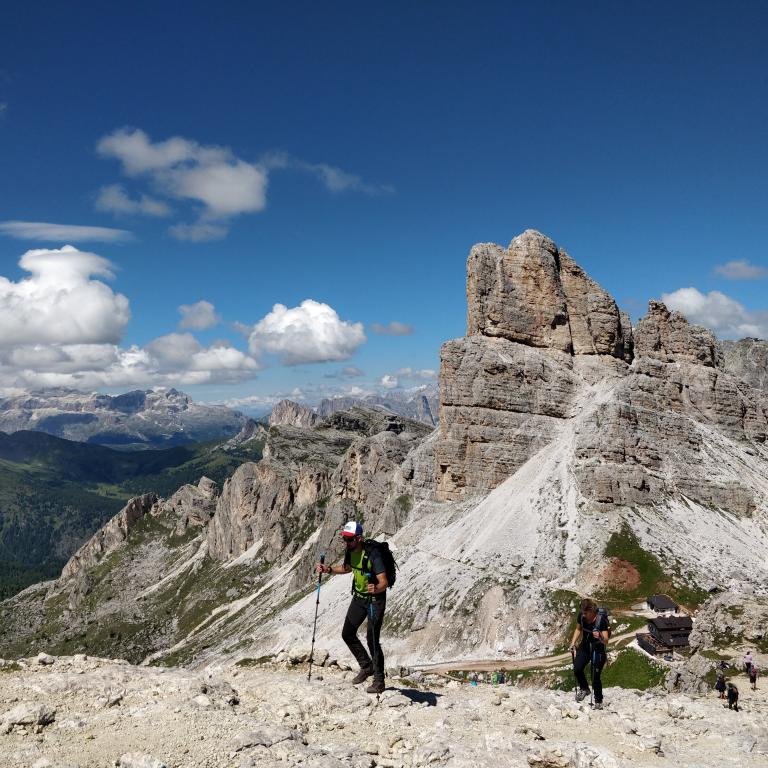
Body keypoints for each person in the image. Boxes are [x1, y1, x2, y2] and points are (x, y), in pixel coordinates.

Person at [316, 521, 388, 694]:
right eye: (345, 539)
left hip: (375, 600)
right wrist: (329, 569)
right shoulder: (350, 550)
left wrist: (376, 588)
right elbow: (347, 568)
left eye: (349, 539)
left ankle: (379, 681)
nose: (346, 543)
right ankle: (366, 666)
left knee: (372, 639)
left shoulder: (373, 555)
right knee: (347, 633)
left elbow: (384, 581)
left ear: (359, 538)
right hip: (359, 597)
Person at [569, 598, 610, 710]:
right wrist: (573, 643)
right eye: (582, 612)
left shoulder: (601, 620)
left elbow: (606, 640)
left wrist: (600, 636)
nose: (583, 615)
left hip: (598, 649)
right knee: (577, 668)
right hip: (585, 646)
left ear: (592, 611)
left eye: (585, 613)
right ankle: (584, 689)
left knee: (594, 676)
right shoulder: (581, 617)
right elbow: (578, 629)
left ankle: (598, 700)